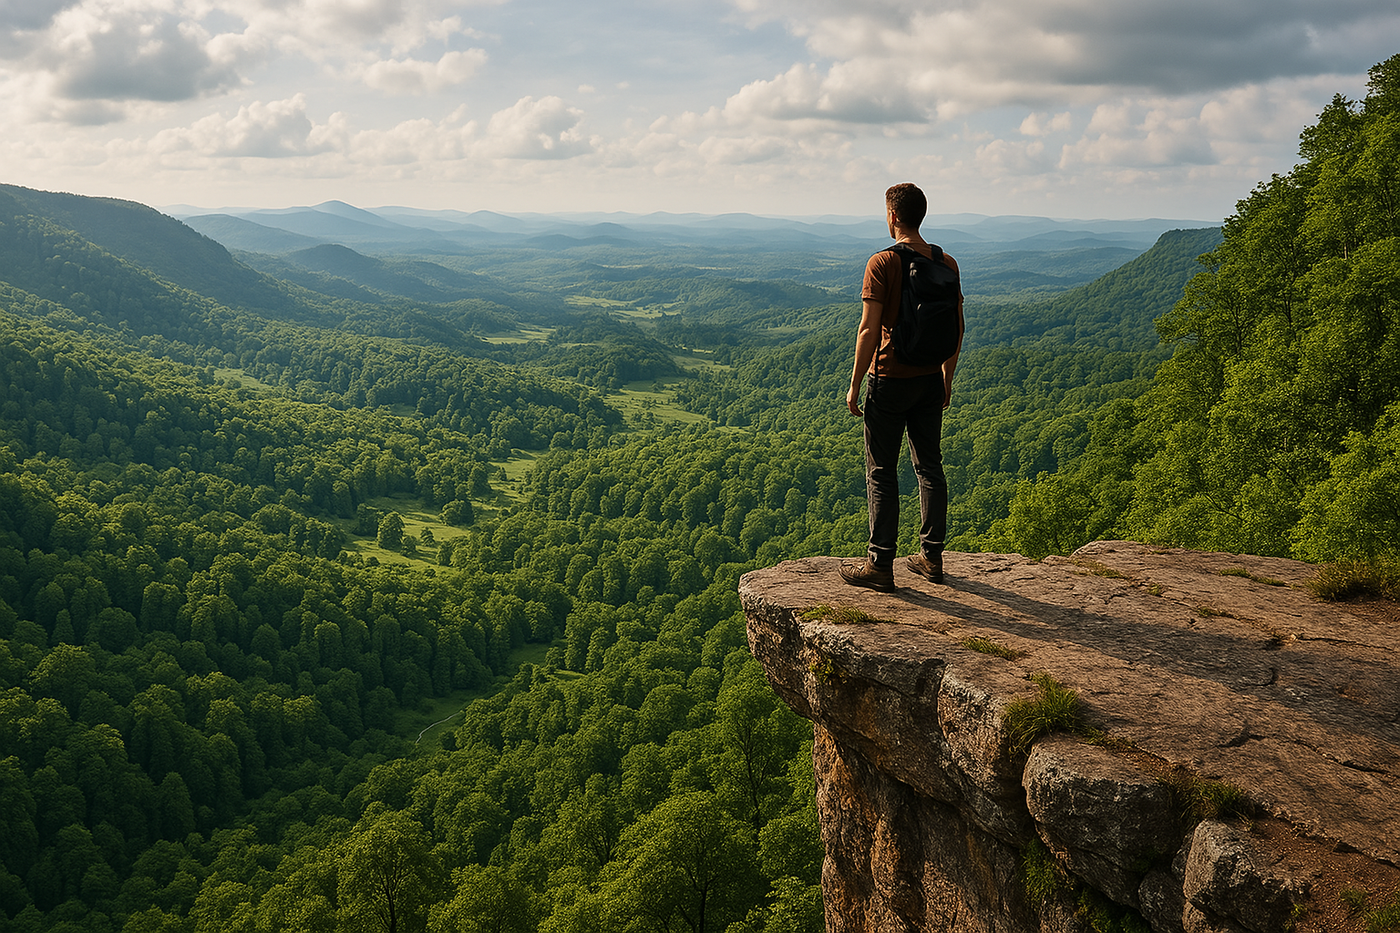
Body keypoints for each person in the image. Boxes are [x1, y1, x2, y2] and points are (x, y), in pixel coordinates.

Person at [840, 182, 964, 592]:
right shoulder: (947, 264)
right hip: (929, 379)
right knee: (930, 467)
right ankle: (931, 557)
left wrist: (855, 384)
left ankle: (880, 565)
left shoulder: (882, 263)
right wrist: (947, 378)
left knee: (881, 472)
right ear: (921, 216)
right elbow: (956, 327)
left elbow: (868, 330)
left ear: (893, 216)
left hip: (889, 381)